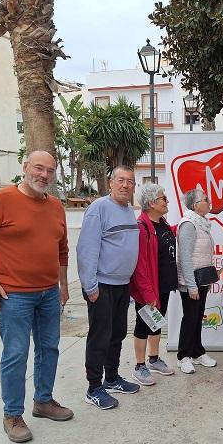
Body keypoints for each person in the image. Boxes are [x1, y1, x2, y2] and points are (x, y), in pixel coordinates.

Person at [0, 150, 73, 443]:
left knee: (49, 348)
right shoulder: (1, 201)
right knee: (15, 354)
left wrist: (63, 285)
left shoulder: (55, 206)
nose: (44, 175)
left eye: (50, 170)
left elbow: (61, 249)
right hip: (14, 296)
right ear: (25, 167)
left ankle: (44, 401)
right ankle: (12, 414)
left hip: (49, 293)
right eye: (39, 168)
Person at [77, 165, 141, 410]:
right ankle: (94, 387)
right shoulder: (99, 208)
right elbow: (86, 249)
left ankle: (112, 378)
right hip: (101, 285)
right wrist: (90, 286)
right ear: (111, 182)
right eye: (121, 180)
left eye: (130, 181)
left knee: (117, 334)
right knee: (99, 337)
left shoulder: (127, 210)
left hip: (122, 285)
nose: (126, 185)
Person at [129, 183, 177, 385]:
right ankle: (139, 366)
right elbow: (139, 266)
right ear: (151, 203)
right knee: (143, 325)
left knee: (156, 322)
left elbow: (167, 239)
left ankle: (154, 359)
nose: (167, 201)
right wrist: (148, 293)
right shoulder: (141, 228)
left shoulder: (162, 222)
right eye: (163, 198)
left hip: (164, 284)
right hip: (148, 289)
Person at [176, 188, 218, 374]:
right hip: (190, 283)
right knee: (190, 318)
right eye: (206, 199)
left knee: (197, 317)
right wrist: (191, 284)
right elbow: (184, 257)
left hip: (202, 280)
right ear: (195, 205)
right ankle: (183, 356)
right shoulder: (188, 225)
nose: (209, 201)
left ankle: (197, 352)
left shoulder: (201, 223)